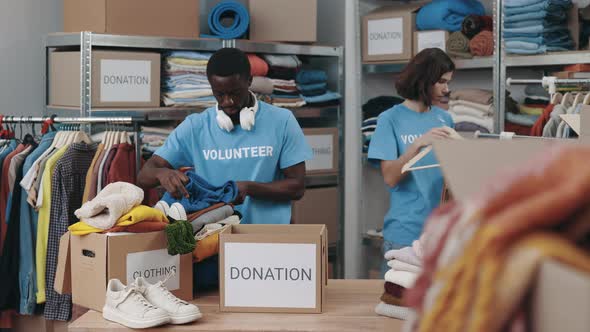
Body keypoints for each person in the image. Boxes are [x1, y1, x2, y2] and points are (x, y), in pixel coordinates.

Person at [139, 47, 312, 224]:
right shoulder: (195, 126)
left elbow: (297, 187)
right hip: (212, 237)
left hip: (268, 236)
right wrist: (163, 173)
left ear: (249, 81)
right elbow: (144, 174)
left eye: (235, 93)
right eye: (219, 94)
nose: (227, 101)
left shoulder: (281, 121)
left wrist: (249, 188)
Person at [367, 48, 455, 272]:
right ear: (424, 80)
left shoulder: (444, 119)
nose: (447, 88)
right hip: (404, 233)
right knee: (398, 304)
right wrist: (418, 144)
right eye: (441, 82)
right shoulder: (390, 119)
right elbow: (390, 177)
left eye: (448, 82)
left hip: (440, 234)